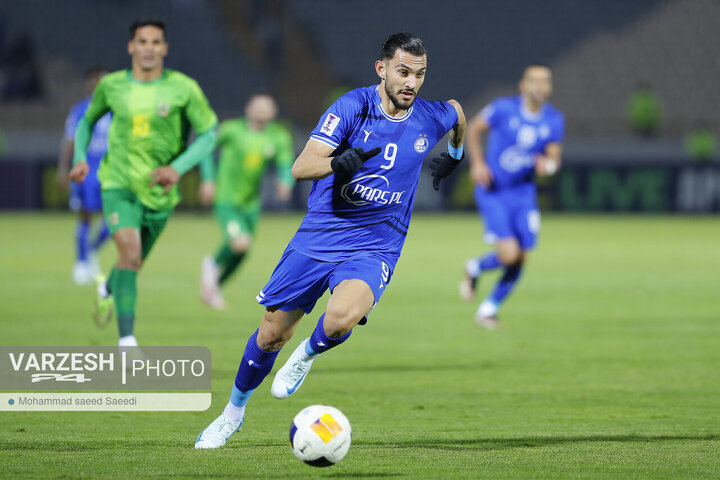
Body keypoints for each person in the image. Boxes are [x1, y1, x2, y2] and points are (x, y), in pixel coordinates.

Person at [195, 32, 466, 449]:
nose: (411, 82)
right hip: (322, 233)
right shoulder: (353, 107)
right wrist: (338, 162)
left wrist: (455, 155)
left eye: (420, 74)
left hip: (377, 242)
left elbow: (459, 114)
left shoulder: (431, 116)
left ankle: (306, 354)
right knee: (270, 335)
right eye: (403, 72)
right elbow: (301, 167)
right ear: (382, 69)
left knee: (341, 318)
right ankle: (232, 413)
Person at [68, 19, 218, 345]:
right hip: (118, 185)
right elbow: (86, 122)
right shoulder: (111, 86)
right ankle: (127, 342)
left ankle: (110, 284)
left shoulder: (183, 88)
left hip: (161, 193)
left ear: (164, 48)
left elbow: (209, 134)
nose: (148, 48)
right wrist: (80, 156)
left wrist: (178, 168)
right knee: (131, 254)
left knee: (132, 263)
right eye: (142, 41)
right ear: (131, 47)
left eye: (155, 42)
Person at [460, 63, 565, 329]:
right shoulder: (503, 109)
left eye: (545, 81)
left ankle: (488, 309)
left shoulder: (553, 120)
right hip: (494, 192)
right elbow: (473, 129)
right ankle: (475, 267)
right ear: (523, 85)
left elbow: (554, 159)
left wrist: (548, 166)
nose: (540, 86)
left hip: (524, 195)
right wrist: (477, 164)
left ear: (550, 88)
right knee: (508, 255)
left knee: (522, 257)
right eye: (534, 80)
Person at [199, 94, 295, 309]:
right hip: (226, 199)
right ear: (248, 108)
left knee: (243, 251)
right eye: (257, 105)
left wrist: (285, 181)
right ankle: (211, 264)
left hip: (250, 204)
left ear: (274, 112)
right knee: (239, 243)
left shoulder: (278, 137)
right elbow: (205, 148)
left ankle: (213, 287)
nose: (261, 110)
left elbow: (284, 163)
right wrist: (208, 179)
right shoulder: (232, 130)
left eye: (267, 106)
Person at [57, 67, 112, 285]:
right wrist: (63, 169)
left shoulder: (116, 110)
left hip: (110, 172)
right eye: (96, 81)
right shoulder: (80, 110)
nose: (99, 85)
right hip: (86, 171)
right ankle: (81, 263)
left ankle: (89, 252)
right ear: (89, 84)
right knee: (85, 215)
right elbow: (69, 141)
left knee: (113, 219)